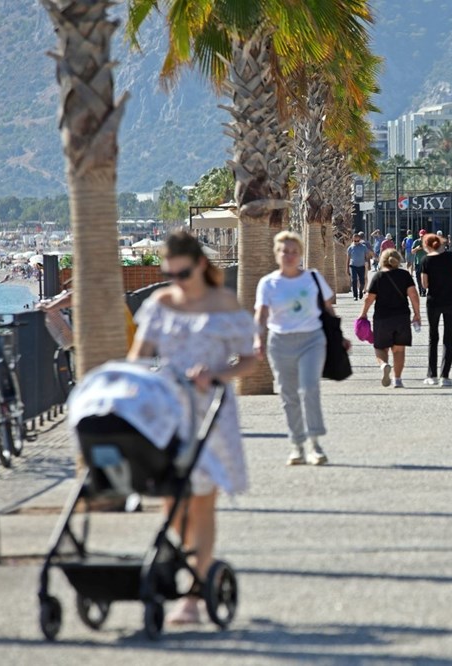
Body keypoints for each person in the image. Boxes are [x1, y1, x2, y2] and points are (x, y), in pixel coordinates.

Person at [128, 230, 258, 625]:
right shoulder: (159, 304)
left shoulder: (223, 304)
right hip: (167, 414)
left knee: (202, 500)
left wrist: (217, 372)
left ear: (200, 265)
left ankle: (194, 596)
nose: (176, 281)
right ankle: (187, 567)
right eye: (170, 273)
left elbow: (250, 358)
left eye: (182, 273)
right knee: (172, 501)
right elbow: (137, 357)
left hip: (209, 413)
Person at [255, 231, 341, 467]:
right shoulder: (268, 283)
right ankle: (296, 445)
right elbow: (261, 313)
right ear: (277, 254)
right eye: (285, 251)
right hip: (280, 341)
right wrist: (257, 339)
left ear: (300, 254)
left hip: (312, 339)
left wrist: (338, 336)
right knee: (288, 394)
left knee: (310, 388)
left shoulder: (312, 278)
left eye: (294, 252)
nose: (289, 256)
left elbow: (328, 308)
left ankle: (315, 444)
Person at [359, 249, 420, 388]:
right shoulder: (404, 275)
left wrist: (363, 314)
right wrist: (417, 314)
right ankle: (397, 379)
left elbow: (369, 298)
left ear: (382, 260)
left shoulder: (378, 276)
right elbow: (414, 295)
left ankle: (384, 365)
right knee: (399, 350)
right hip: (402, 317)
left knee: (380, 347)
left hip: (382, 318)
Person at [419, 233, 452, 386]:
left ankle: (432, 375)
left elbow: (424, 284)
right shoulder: (451, 257)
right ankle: (445, 376)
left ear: (426, 245)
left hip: (433, 301)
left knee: (433, 337)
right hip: (450, 301)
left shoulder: (426, 260)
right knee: (448, 338)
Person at [346, 232, 372, 301]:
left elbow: (367, 257)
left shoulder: (363, 247)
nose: (356, 242)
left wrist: (369, 265)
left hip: (361, 266)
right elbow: (348, 259)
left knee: (362, 281)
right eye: (355, 241)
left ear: (359, 240)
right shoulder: (350, 248)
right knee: (354, 280)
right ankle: (355, 296)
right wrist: (347, 269)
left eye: (358, 241)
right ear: (352, 240)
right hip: (353, 266)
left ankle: (360, 291)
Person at [411, 229, 429, 297]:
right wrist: (417, 248)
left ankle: (424, 291)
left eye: (423, 236)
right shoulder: (416, 242)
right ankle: (420, 290)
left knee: (425, 278)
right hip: (418, 263)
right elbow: (412, 251)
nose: (422, 237)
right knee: (418, 278)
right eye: (421, 236)